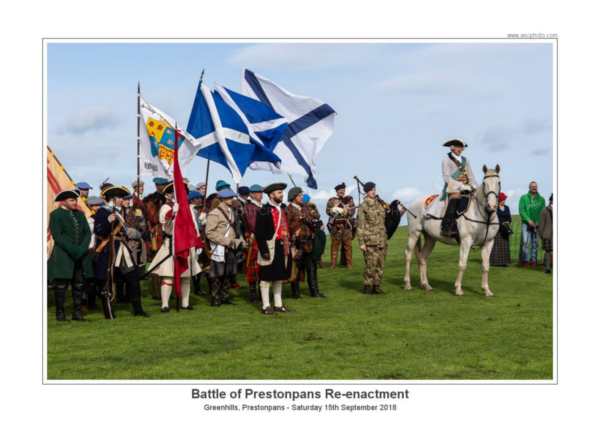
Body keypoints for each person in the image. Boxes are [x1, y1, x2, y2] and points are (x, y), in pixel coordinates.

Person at [94, 185, 148, 318]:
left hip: (123, 248)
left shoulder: (122, 212)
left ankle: (138, 309)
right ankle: (108, 312)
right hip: (109, 249)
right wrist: (108, 221)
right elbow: (99, 231)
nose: (122, 200)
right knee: (107, 280)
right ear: (112, 199)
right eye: (119, 198)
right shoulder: (102, 212)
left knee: (133, 278)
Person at [148, 182, 201, 312]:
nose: (176, 195)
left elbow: (193, 226)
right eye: (172, 193)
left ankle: (185, 303)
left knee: (186, 276)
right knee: (168, 275)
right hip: (171, 244)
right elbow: (164, 222)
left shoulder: (188, 208)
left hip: (186, 244)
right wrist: (173, 213)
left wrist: (197, 240)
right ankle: (165, 304)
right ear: (167, 195)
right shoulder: (166, 207)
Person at [48, 189, 94, 321]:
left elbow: (87, 233)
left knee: (78, 284)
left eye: (75, 200)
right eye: (72, 200)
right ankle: (60, 313)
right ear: (64, 201)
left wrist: (82, 249)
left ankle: (77, 313)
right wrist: (74, 250)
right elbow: (58, 236)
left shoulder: (80, 214)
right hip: (63, 255)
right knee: (61, 285)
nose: (75, 202)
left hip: (80, 255)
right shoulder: (55, 215)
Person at [205, 188, 247, 306]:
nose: (231, 199)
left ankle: (225, 296)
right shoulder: (215, 213)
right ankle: (215, 298)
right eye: (228, 198)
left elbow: (235, 229)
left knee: (229, 273)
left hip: (231, 246)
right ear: (222, 199)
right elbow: (209, 232)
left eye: (232, 197)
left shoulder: (232, 211)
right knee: (217, 274)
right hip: (220, 247)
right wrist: (226, 241)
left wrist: (239, 241)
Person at [255, 183, 292, 314]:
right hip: (269, 247)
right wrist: (264, 250)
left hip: (282, 246)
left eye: (282, 192)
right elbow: (259, 233)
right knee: (266, 278)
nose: (282, 195)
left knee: (278, 277)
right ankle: (266, 305)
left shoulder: (283, 209)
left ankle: (278, 304)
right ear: (271, 195)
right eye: (279, 192)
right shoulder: (264, 210)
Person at [287, 187, 325, 298]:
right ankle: (296, 293)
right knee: (297, 268)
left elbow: (315, 217)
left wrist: (312, 211)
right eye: (299, 195)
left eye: (302, 195)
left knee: (312, 267)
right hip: (297, 243)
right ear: (293, 197)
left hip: (309, 242)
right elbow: (287, 226)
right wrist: (296, 227)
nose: (302, 197)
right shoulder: (288, 209)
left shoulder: (306, 207)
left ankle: (314, 292)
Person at [440, 139, 478, 237]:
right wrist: (461, 186)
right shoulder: (446, 160)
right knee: (455, 198)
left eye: (461, 147)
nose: (460, 149)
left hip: (467, 187)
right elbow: (446, 177)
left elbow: (471, 175)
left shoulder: (465, 160)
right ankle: (446, 227)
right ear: (452, 147)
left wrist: (475, 186)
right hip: (453, 188)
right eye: (457, 146)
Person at [356, 182, 387, 294]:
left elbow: (385, 219)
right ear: (366, 191)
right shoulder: (363, 206)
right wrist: (361, 243)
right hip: (370, 241)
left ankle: (376, 285)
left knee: (380, 265)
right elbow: (360, 225)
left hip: (381, 239)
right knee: (370, 265)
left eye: (374, 189)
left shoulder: (380, 204)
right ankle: (368, 286)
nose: (373, 192)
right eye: (371, 190)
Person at [142, 177, 168, 299]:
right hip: (156, 235)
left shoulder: (169, 199)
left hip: (166, 232)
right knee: (157, 262)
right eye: (159, 185)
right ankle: (157, 291)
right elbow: (152, 218)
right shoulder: (151, 200)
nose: (161, 187)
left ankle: (167, 289)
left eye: (163, 185)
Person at [326, 182, 356, 268]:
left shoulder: (349, 199)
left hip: (346, 226)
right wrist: (333, 210)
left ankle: (349, 264)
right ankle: (333, 264)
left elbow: (352, 211)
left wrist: (346, 211)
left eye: (343, 190)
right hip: (336, 227)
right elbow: (327, 211)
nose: (342, 192)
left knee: (348, 246)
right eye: (340, 190)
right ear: (337, 191)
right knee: (334, 246)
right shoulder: (332, 200)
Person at [243, 184, 263, 302]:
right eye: (258, 192)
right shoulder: (249, 207)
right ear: (252, 194)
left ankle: (261, 292)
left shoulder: (261, 206)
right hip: (254, 240)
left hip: (261, 239)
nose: (260, 194)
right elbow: (253, 225)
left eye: (261, 192)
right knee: (253, 267)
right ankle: (253, 294)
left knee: (262, 267)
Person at [518, 181, 546, 267]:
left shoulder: (541, 199)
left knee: (535, 243)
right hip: (526, 224)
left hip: (537, 224)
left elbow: (542, 212)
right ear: (529, 187)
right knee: (525, 242)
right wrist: (528, 220)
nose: (534, 188)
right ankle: (526, 260)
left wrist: (538, 221)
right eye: (532, 186)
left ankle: (533, 260)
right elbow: (521, 210)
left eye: (535, 186)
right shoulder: (523, 198)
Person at [84, 196, 104, 309]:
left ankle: (96, 299)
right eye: (95, 206)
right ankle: (90, 302)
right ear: (90, 207)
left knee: (98, 277)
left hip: (99, 249)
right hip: (89, 249)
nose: (98, 207)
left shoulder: (100, 217)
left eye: (99, 205)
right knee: (90, 278)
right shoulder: (88, 219)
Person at [490, 192, 513, 266]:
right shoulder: (495, 208)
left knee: (505, 246)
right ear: (499, 200)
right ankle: (496, 262)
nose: (504, 201)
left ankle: (504, 262)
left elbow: (509, 218)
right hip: (497, 229)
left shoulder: (507, 207)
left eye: (504, 200)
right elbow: (493, 218)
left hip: (505, 229)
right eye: (503, 199)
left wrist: (508, 222)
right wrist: (500, 223)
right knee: (497, 245)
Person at [538, 194, 553, 274]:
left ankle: (548, 267)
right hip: (548, 235)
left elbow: (541, 225)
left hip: (547, 234)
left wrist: (542, 235)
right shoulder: (544, 211)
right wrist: (542, 235)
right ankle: (547, 267)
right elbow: (541, 225)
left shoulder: (544, 210)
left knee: (548, 251)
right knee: (548, 251)